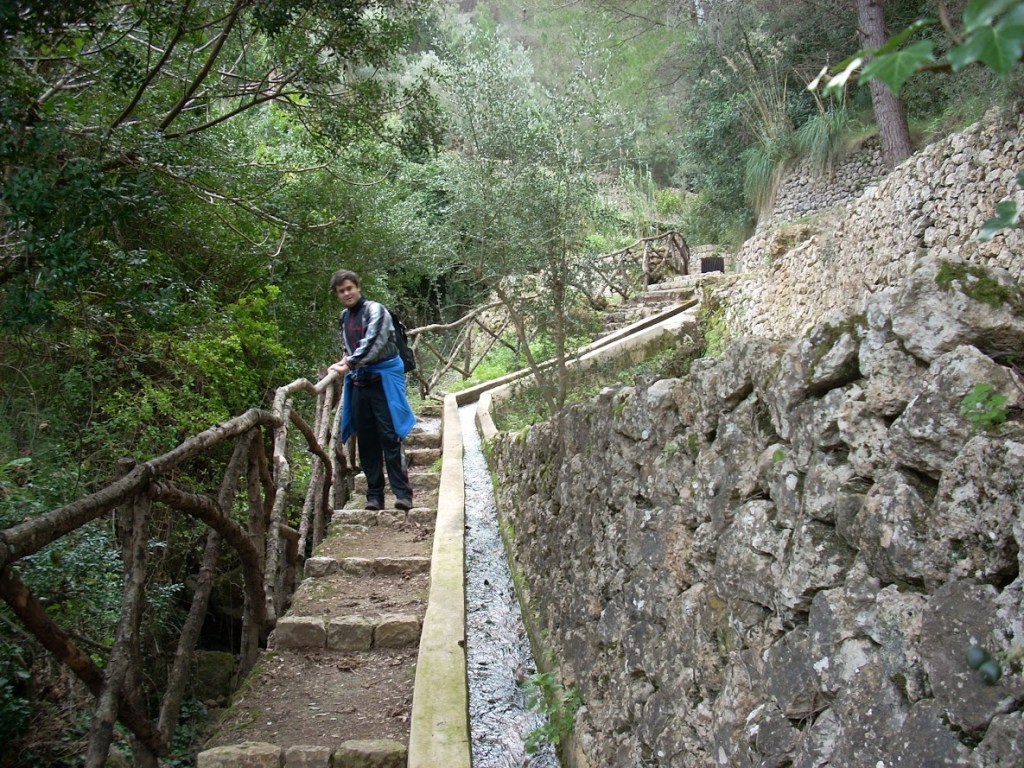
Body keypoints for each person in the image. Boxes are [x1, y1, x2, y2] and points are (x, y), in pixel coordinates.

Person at [328, 269, 416, 511]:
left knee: (389, 435)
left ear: (358, 287)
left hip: (383, 378)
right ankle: (374, 496)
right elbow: (350, 346)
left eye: (349, 288)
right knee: (366, 439)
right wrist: (345, 360)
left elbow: (374, 341)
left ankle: (403, 494)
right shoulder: (344, 317)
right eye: (341, 291)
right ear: (337, 294)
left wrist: (349, 363)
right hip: (360, 379)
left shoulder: (376, 310)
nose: (346, 293)